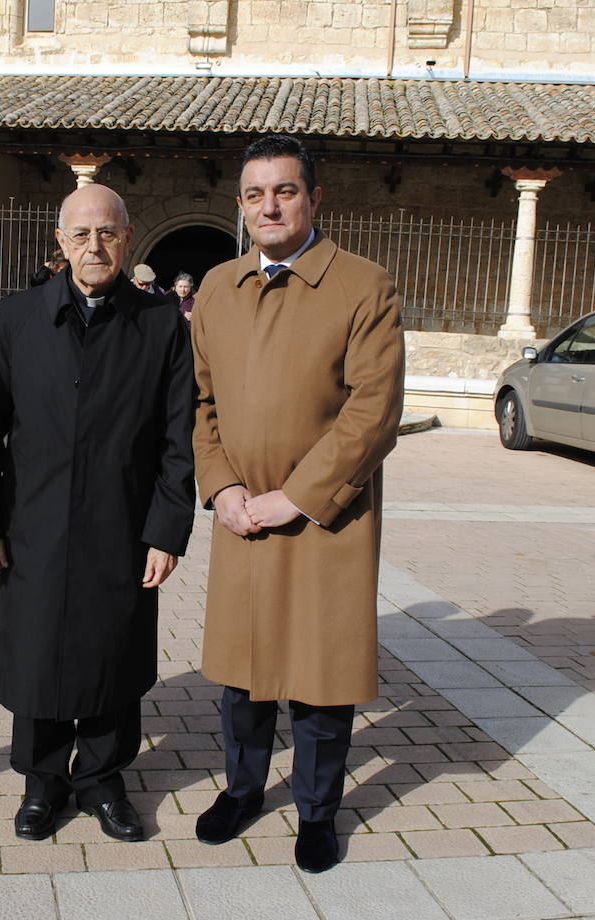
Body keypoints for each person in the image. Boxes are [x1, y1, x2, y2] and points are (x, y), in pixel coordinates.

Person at [190, 134, 404, 873]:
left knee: (320, 680)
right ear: (242, 206)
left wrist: (299, 497)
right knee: (243, 678)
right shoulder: (217, 286)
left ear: (315, 199)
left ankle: (318, 811)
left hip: (324, 518)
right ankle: (244, 790)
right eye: (254, 194)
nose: (269, 205)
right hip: (242, 512)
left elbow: (373, 411)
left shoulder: (363, 285)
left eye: (284, 191)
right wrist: (220, 486)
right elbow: (199, 400)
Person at [0, 183, 195, 844]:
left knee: (112, 650)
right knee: (38, 651)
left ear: (128, 238)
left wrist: (166, 530)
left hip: (122, 524)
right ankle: (42, 780)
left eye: (108, 233)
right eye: (82, 234)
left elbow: (178, 440)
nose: (96, 245)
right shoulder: (17, 319)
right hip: (31, 524)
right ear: (60, 242)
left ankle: (103, 777)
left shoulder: (159, 324)